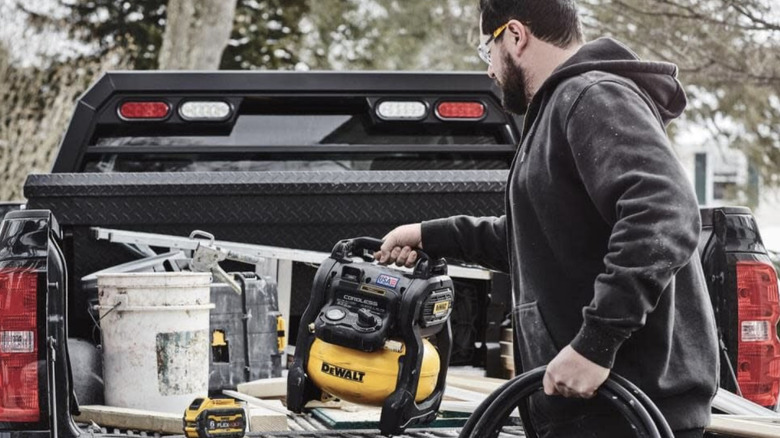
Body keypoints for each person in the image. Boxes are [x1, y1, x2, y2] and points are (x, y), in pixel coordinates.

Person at [374, 0, 718, 437]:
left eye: (487, 51)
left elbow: (664, 212)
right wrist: (429, 235)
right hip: (589, 414)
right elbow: (535, 238)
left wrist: (595, 345)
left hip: (625, 415)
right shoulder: (561, 109)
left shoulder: (592, 96)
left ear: (515, 35)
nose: (489, 71)